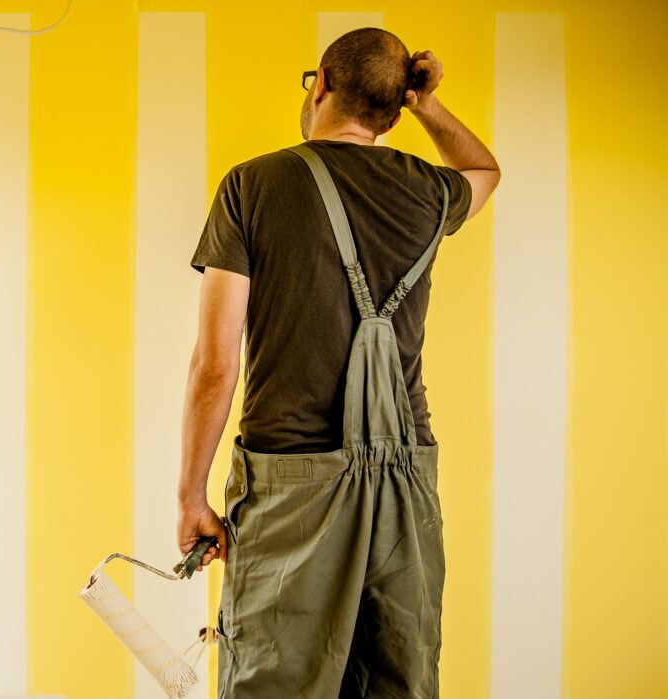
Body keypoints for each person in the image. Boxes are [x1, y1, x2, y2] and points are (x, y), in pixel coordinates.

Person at [176, 27, 500, 697]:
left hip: (290, 481)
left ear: (321, 83)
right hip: (404, 479)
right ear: (394, 110)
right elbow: (484, 171)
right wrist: (427, 104)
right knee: (397, 679)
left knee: (274, 682)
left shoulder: (252, 185)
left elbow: (215, 362)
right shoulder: (428, 191)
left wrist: (191, 495)